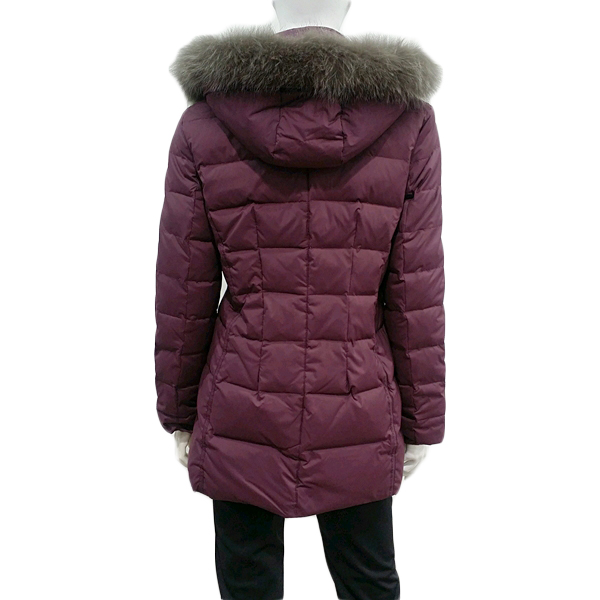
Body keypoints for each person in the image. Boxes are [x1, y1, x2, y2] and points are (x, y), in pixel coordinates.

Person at [154, 2, 445, 598]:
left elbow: (184, 288)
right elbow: (415, 288)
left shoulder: (205, 124)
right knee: (368, 581)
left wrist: (179, 411)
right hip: (358, 399)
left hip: (242, 398)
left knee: (247, 584)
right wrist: (423, 420)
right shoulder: (406, 121)